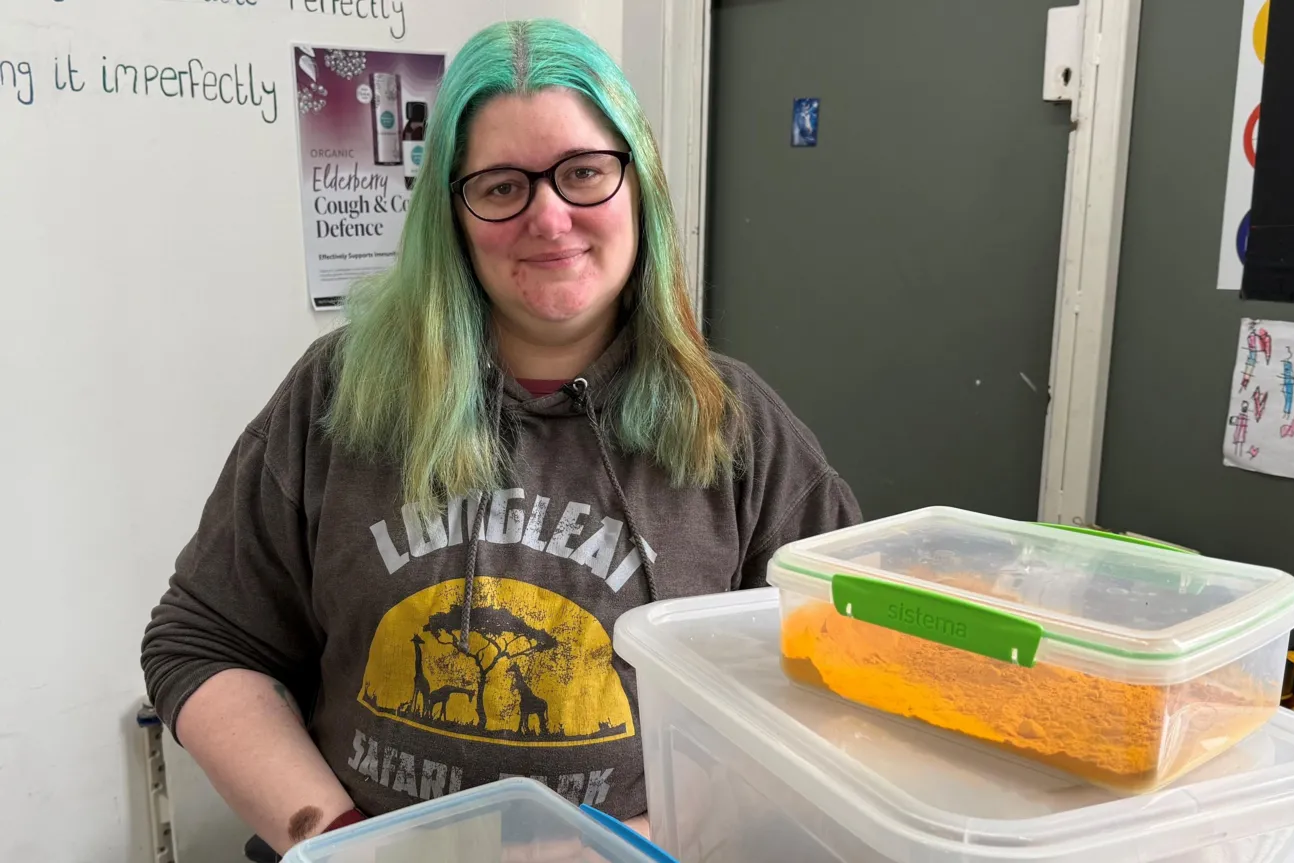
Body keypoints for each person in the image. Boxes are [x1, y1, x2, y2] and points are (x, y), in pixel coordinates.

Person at [141, 18, 860, 857]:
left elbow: (839, 703)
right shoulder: (336, 397)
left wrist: (637, 845)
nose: (549, 218)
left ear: (641, 187)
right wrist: (342, 841)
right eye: (500, 186)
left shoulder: (739, 434)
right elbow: (205, 639)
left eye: (584, 172)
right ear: (453, 212)